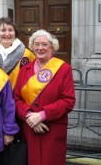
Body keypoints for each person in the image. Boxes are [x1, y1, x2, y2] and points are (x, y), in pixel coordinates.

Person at [13, 29, 76, 165]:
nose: (40, 48)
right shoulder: (25, 70)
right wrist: (30, 116)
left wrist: (42, 115)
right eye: (36, 44)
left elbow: (68, 101)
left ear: (52, 47)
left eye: (44, 44)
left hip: (52, 128)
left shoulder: (63, 69)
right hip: (30, 128)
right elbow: (17, 99)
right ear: (32, 47)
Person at [0, 17, 35, 89]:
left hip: (17, 97)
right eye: (3, 30)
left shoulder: (27, 54)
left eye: (10, 30)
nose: (7, 33)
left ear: (15, 33)